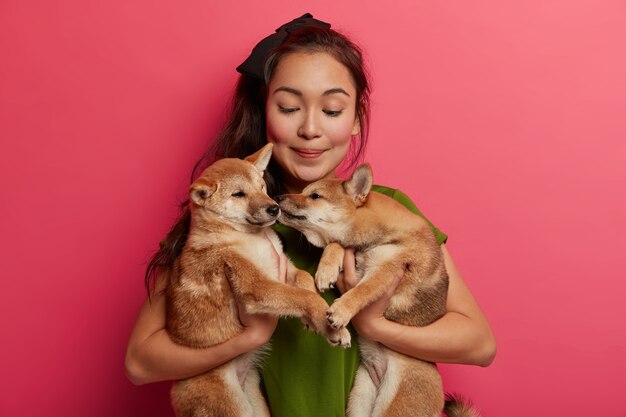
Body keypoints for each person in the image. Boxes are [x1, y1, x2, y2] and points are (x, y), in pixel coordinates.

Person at [125, 14, 496, 417]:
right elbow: (141, 363)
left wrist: (373, 325)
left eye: (333, 110)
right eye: (289, 107)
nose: (310, 128)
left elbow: (478, 343)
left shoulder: (386, 212)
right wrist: (249, 336)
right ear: (263, 112)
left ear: (355, 119)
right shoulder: (219, 220)